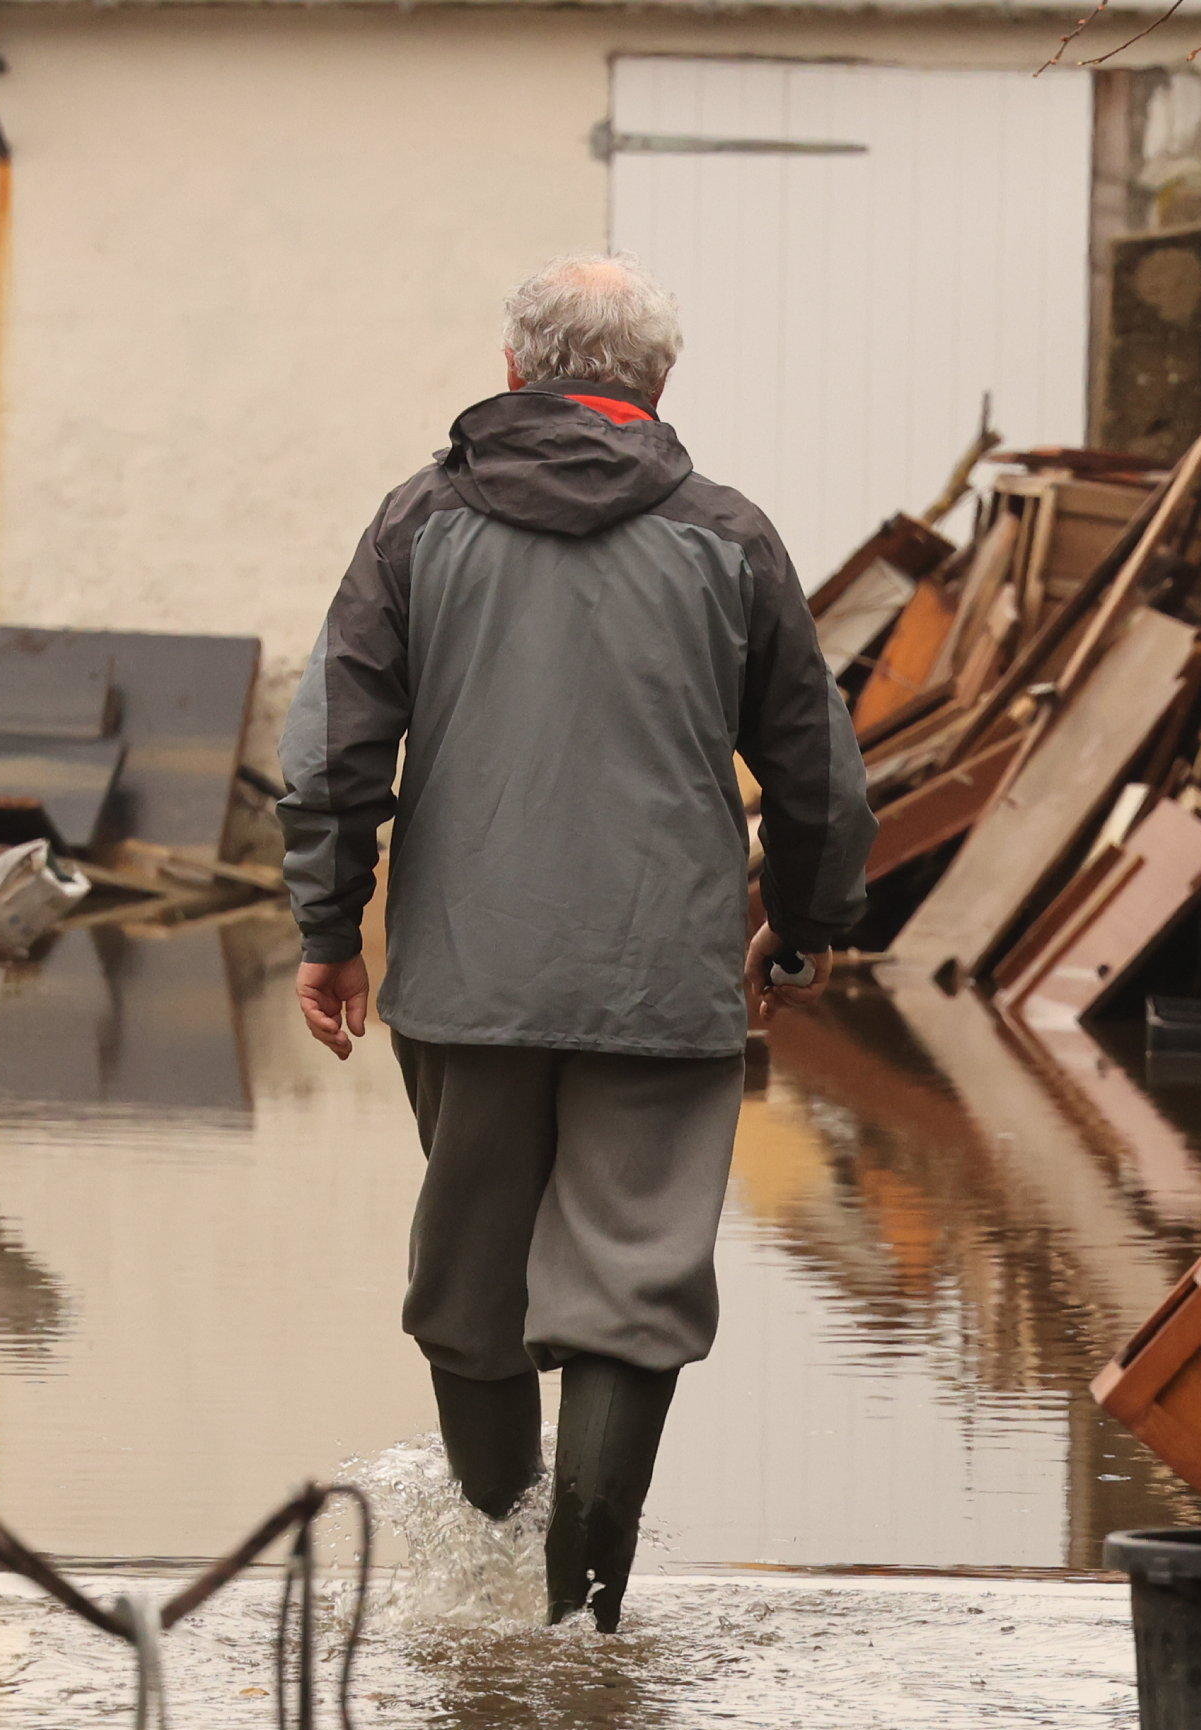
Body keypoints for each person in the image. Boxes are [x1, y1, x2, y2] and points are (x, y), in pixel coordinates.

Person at [278, 255, 874, 1630]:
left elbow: (332, 752)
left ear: (513, 372)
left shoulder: (416, 524)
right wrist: (800, 925)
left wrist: (329, 927)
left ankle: (495, 1583)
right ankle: (581, 1619)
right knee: (635, 1282)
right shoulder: (728, 537)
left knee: (470, 1273)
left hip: (465, 974)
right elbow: (820, 775)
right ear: (657, 385)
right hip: (663, 981)